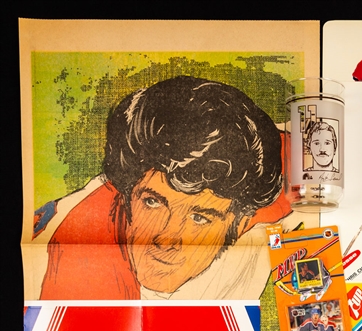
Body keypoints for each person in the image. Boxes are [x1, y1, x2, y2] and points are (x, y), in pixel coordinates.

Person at [34, 76, 291, 300]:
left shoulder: (269, 185)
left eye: (199, 218)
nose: (166, 240)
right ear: (126, 194)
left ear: (242, 223)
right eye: (152, 202)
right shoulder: (76, 265)